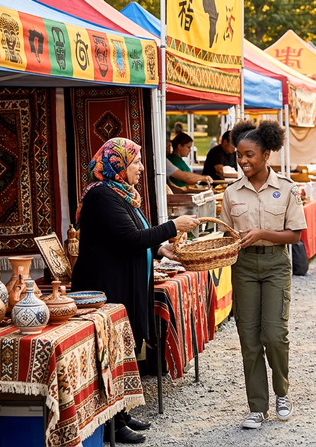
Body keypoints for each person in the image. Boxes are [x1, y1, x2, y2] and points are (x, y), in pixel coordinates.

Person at [72, 138, 201, 444]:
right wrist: (173, 226)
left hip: (121, 281)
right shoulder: (102, 196)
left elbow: (136, 236)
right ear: (117, 164)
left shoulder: (119, 193)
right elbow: (129, 238)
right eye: (136, 162)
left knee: (122, 352)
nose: (142, 168)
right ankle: (111, 425)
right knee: (111, 353)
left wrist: (161, 249)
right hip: (106, 286)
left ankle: (121, 414)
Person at [220, 120, 308, 430]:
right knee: (249, 338)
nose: (243, 161)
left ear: (266, 154)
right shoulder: (231, 193)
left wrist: (261, 233)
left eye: (249, 155)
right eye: (239, 156)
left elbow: (295, 235)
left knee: (274, 334)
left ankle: (282, 392)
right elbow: (227, 235)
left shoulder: (286, 189)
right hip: (243, 268)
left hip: (274, 266)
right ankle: (257, 406)